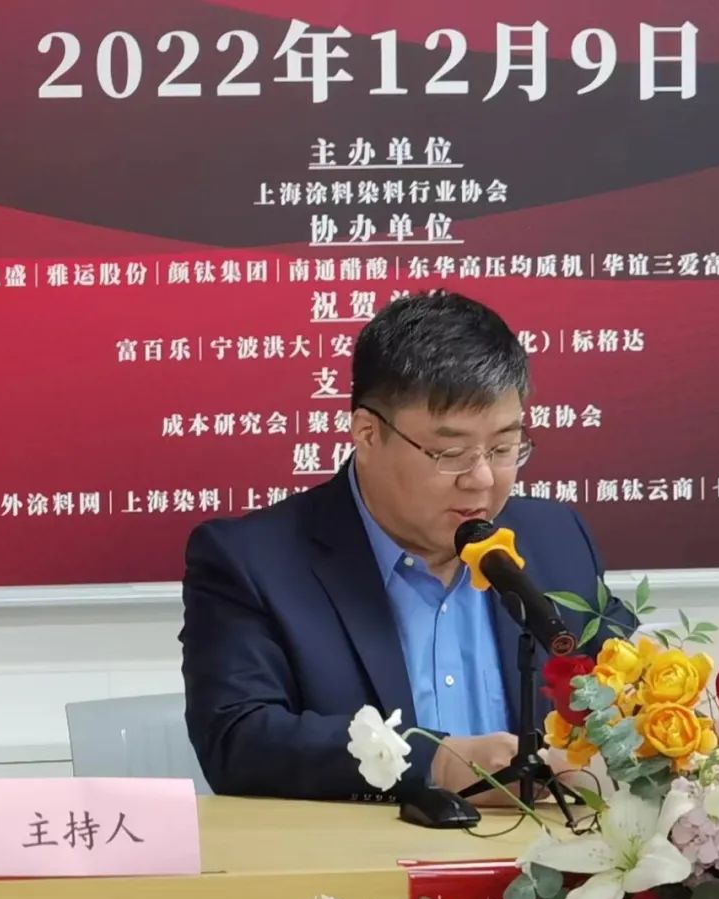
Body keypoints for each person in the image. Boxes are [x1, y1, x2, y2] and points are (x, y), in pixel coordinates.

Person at [180, 290, 633, 802]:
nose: (482, 479)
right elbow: (239, 741)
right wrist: (436, 764)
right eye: (451, 453)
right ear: (367, 435)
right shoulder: (253, 562)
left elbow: (624, 688)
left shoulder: (557, 539)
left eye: (504, 448)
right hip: (359, 852)